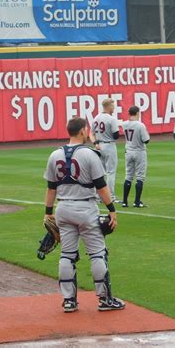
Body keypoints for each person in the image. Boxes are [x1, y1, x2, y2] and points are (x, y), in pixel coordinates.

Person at [44, 117, 125, 313]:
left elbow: (51, 188)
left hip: (63, 209)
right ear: (82, 131)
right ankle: (105, 300)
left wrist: (47, 213)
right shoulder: (90, 155)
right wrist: (112, 209)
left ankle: (69, 301)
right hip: (86, 209)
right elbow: (101, 186)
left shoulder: (54, 155)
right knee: (97, 253)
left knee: (67, 255)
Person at [89, 98, 120, 202]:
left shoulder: (96, 117)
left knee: (99, 173)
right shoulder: (111, 119)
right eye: (113, 105)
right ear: (108, 106)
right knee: (111, 172)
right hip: (109, 146)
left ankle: (98, 196)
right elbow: (116, 136)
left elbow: (91, 133)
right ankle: (110, 196)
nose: (114, 107)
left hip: (98, 146)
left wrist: (95, 143)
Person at [121, 106, 150, 208]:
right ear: (137, 113)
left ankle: (124, 201)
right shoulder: (140, 125)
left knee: (128, 176)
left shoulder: (124, 124)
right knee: (140, 177)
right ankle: (137, 201)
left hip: (128, 151)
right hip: (139, 151)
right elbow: (146, 140)